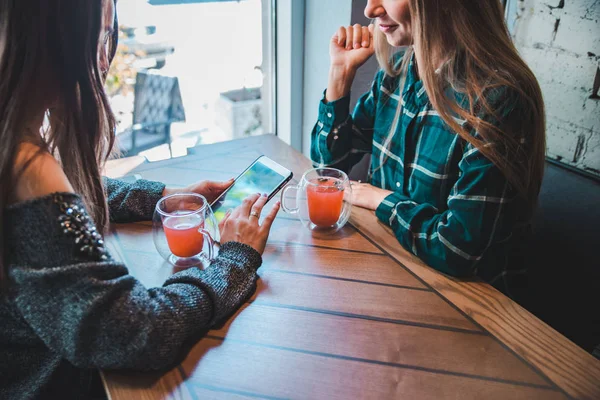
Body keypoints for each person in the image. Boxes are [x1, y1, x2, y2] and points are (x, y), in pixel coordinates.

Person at [0, 1, 279, 398]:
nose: (104, 57)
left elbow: (62, 208)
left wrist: (165, 197)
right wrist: (233, 259)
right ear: (62, 40)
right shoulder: (26, 168)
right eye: (103, 35)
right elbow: (137, 333)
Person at [311, 0, 546, 296]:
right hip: (392, 268)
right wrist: (339, 74)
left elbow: (454, 249)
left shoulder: (498, 100)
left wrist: (379, 198)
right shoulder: (395, 73)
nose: (370, 10)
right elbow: (326, 170)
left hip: (468, 304)